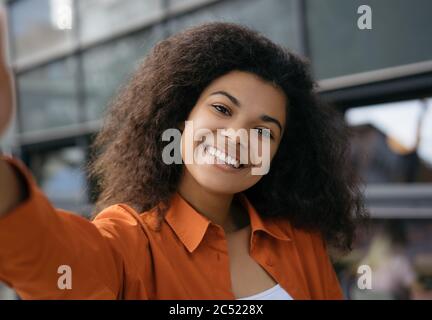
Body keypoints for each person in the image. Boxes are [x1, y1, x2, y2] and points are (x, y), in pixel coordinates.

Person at [0, 21, 367, 299]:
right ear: (181, 117)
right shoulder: (132, 241)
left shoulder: (299, 239)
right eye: (222, 108)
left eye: (263, 131)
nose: (237, 136)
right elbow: (53, 260)